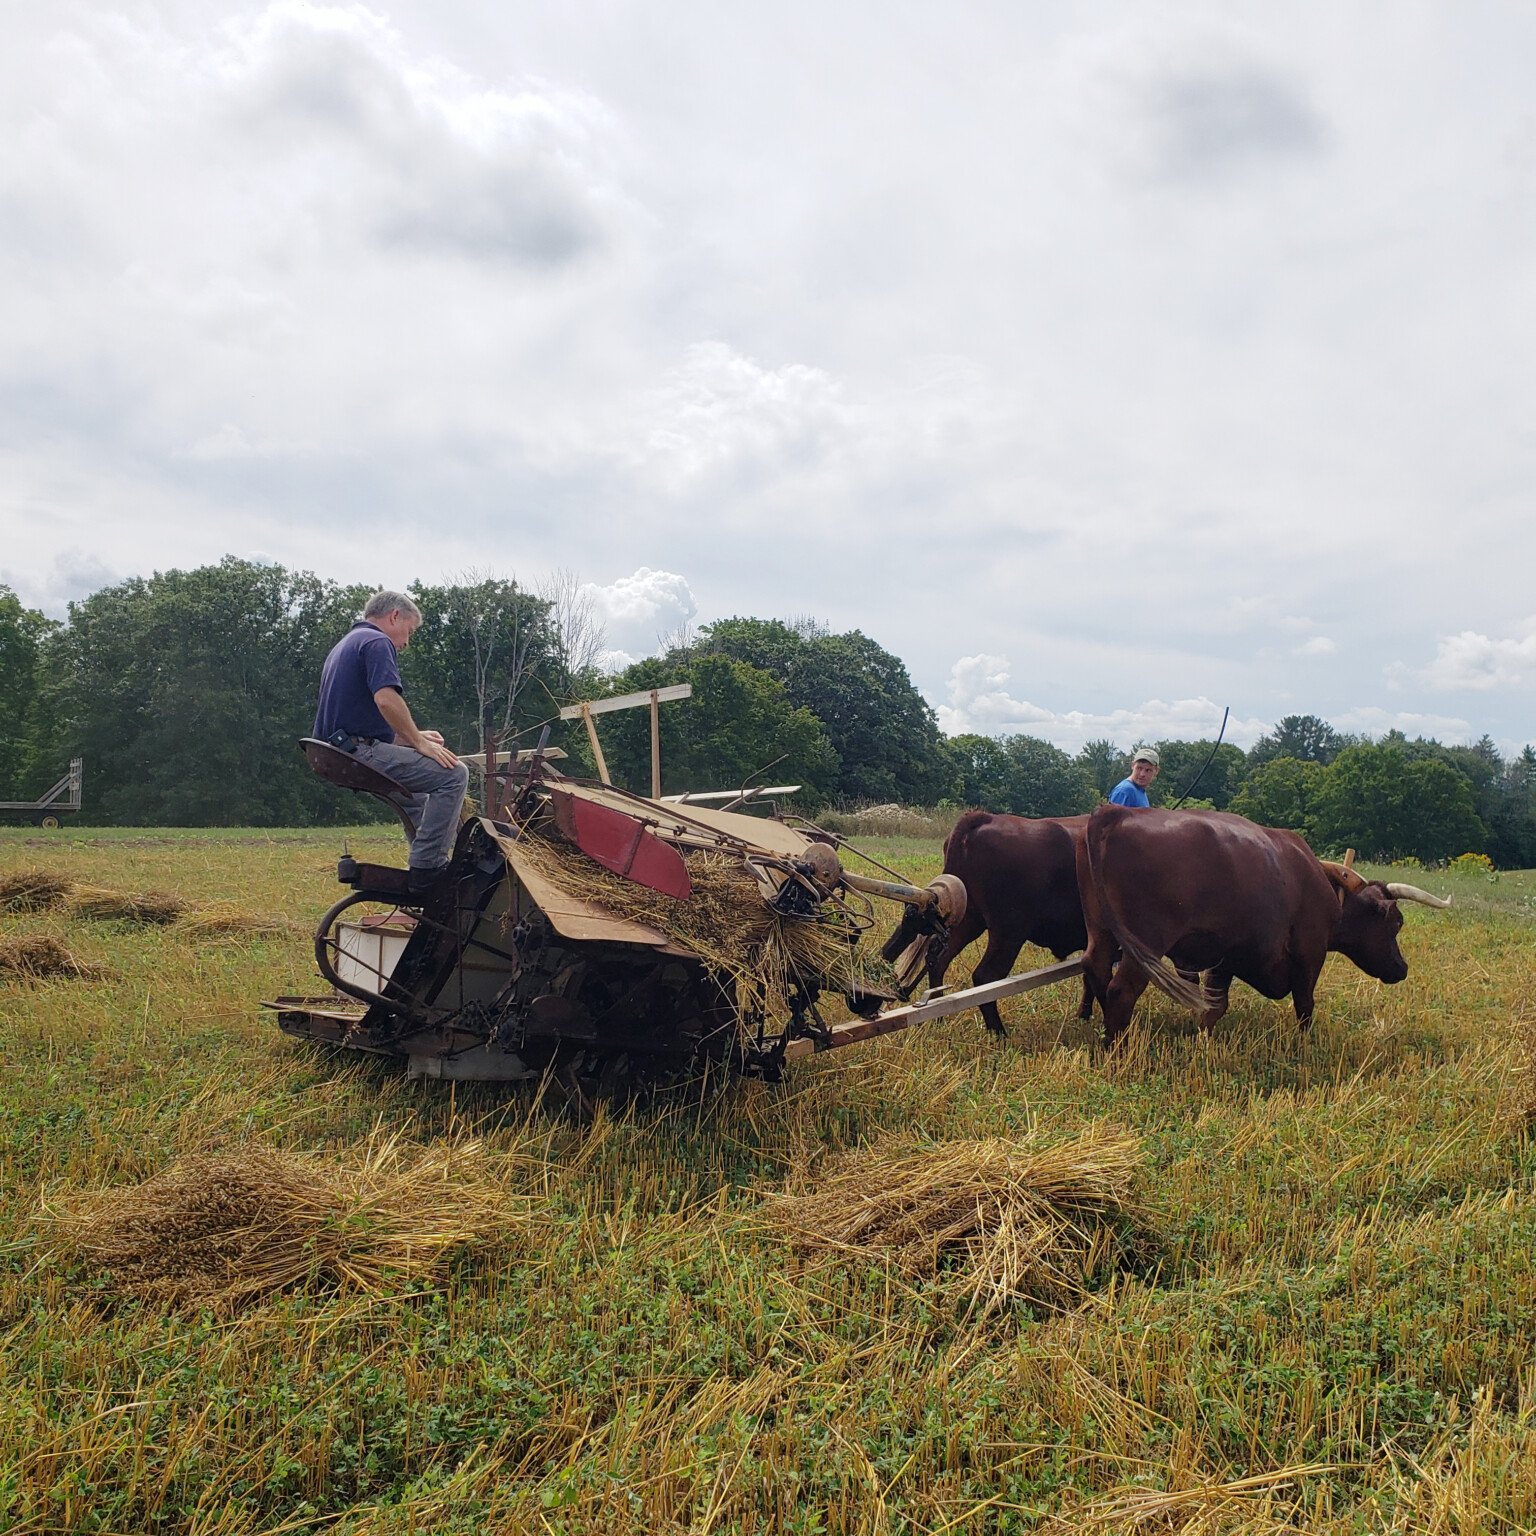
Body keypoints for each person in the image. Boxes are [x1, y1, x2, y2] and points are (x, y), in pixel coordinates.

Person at [313, 590, 469, 894]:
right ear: (394, 616)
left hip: (337, 751)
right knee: (454, 775)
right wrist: (420, 744)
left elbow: (358, 718)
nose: (407, 642)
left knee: (416, 797)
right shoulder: (377, 642)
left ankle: (424, 865)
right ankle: (429, 869)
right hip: (357, 752)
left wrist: (412, 737)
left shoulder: (346, 644)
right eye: (409, 631)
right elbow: (386, 699)